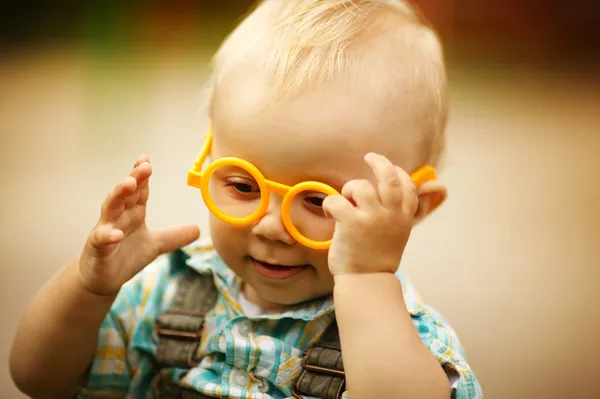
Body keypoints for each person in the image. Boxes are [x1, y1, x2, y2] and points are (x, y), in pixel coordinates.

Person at [10, 0, 483, 398]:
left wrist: (366, 278)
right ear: (208, 157)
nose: (271, 226)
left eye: (318, 201)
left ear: (413, 208)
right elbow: (38, 378)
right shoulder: (165, 293)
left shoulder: (408, 344)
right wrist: (89, 289)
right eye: (243, 186)